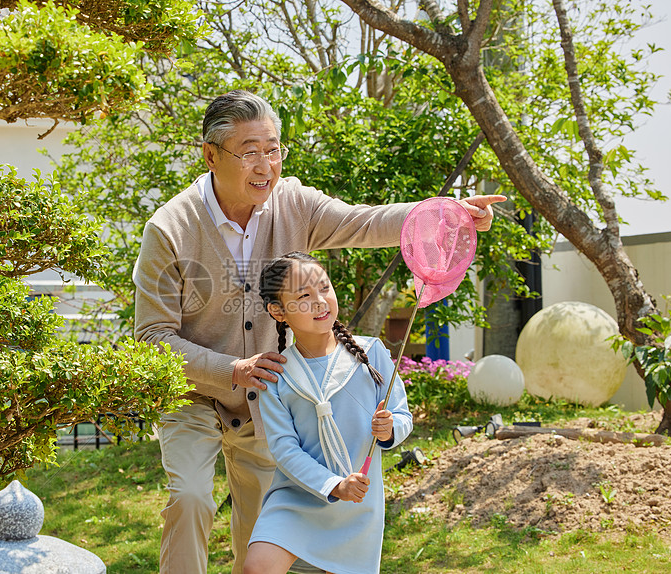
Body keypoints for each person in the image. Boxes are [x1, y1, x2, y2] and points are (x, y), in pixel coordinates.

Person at [132, 89, 504, 574]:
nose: (265, 164)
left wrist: (444, 211)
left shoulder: (295, 204)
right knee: (190, 498)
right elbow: (152, 338)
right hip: (194, 396)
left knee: (262, 530)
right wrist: (234, 369)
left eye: (273, 149)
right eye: (249, 152)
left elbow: (362, 221)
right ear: (211, 155)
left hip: (269, 400)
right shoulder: (170, 228)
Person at [243, 251, 412, 574]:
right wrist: (334, 485)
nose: (320, 301)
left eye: (324, 288)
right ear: (278, 311)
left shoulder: (371, 354)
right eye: (304, 295)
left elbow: (402, 415)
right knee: (258, 567)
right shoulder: (278, 374)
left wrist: (389, 429)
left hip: (357, 503)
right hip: (299, 494)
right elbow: (284, 449)